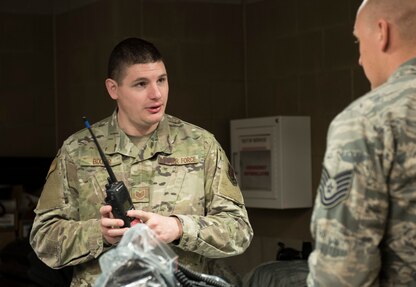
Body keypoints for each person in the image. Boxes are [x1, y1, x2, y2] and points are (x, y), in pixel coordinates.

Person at [29, 37, 253, 286]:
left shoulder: (201, 146)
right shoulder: (77, 151)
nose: (156, 94)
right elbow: (43, 238)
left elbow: (239, 231)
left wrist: (179, 228)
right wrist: (99, 234)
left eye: (162, 80)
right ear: (113, 89)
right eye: (140, 84)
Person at [307, 0, 416, 286]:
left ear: (382, 32)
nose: (360, 59)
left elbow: (340, 272)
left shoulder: (367, 120)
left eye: (357, 40)